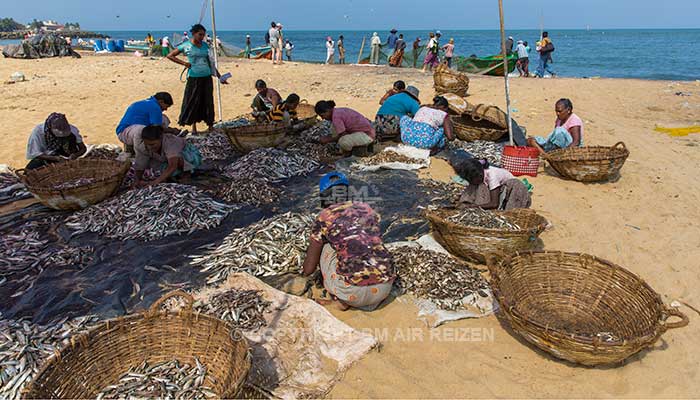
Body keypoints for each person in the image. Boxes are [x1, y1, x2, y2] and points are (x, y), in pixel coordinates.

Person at [302, 172, 396, 311]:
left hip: (351, 293)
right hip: (384, 289)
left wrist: (303, 274)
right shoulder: (367, 209)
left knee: (326, 246)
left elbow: (309, 269)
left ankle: (341, 301)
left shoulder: (324, 217)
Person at [166, 24, 227, 135]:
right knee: (194, 102)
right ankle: (194, 127)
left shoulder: (205, 46)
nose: (202, 37)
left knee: (208, 101)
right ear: (193, 34)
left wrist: (219, 76)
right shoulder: (186, 45)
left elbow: (211, 63)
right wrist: (184, 63)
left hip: (207, 77)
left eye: (203, 35)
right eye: (200, 34)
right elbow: (170, 56)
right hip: (194, 78)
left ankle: (210, 126)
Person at [133, 125, 202, 187]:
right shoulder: (143, 146)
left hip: (188, 155)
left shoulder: (170, 141)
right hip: (166, 159)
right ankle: (171, 176)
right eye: (147, 144)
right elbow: (140, 165)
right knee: (150, 163)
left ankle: (186, 172)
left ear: (160, 138)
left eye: (152, 144)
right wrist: (137, 181)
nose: (149, 147)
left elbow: (173, 165)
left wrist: (155, 182)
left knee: (178, 160)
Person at [456, 159, 532, 210]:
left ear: (479, 176)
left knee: (480, 187)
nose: (470, 182)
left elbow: (494, 203)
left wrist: (474, 206)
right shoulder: (480, 175)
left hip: (514, 194)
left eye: (470, 180)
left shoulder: (492, 176)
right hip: (501, 192)